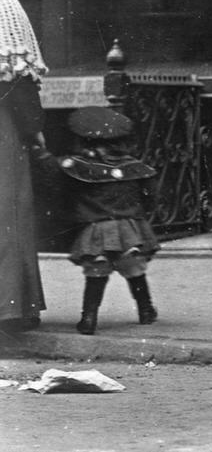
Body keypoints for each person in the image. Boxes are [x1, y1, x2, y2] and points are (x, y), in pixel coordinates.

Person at [58, 107, 160, 335]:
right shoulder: (135, 167)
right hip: (129, 228)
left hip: (95, 229)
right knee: (134, 269)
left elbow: (65, 195)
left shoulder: (77, 168)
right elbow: (151, 198)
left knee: (96, 272)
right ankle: (145, 310)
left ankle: (88, 318)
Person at [0, 0, 48, 334]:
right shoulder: (4, 5)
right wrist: (34, 129)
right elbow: (17, 79)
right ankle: (11, 307)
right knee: (8, 214)